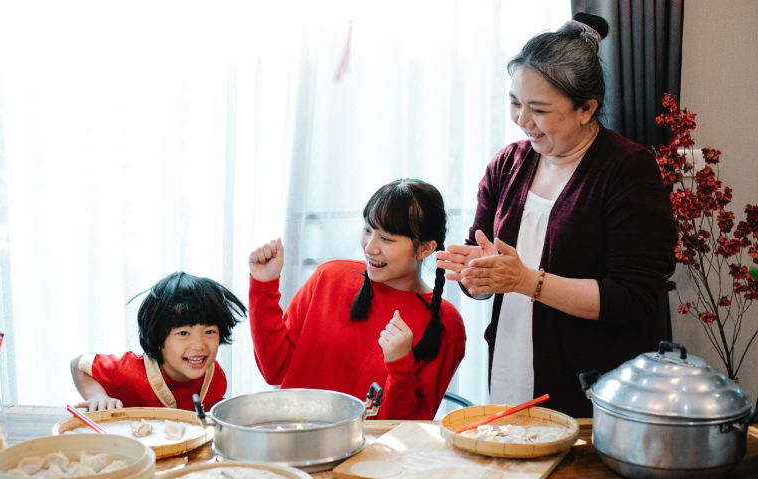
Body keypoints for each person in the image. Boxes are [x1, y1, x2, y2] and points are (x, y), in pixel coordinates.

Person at [436, 13, 677, 418]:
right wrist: (478, 277)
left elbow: (632, 299)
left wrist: (527, 281)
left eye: (539, 109)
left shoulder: (627, 170)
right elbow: (481, 253)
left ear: (586, 109)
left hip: (596, 388)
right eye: (515, 103)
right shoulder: (507, 165)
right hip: (511, 368)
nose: (522, 120)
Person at [248, 179, 466, 420]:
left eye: (387, 238)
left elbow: (406, 432)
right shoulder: (329, 278)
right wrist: (263, 286)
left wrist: (401, 365)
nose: (370, 247)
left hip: (374, 457)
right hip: (296, 444)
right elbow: (274, 370)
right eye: (368, 230)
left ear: (425, 248)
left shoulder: (446, 324)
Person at [71, 272, 247, 412]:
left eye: (209, 332)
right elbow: (78, 364)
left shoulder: (215, 377)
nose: (199, 345)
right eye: (184, 333)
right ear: (158, 338)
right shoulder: (130, 370)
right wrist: (96, 396)